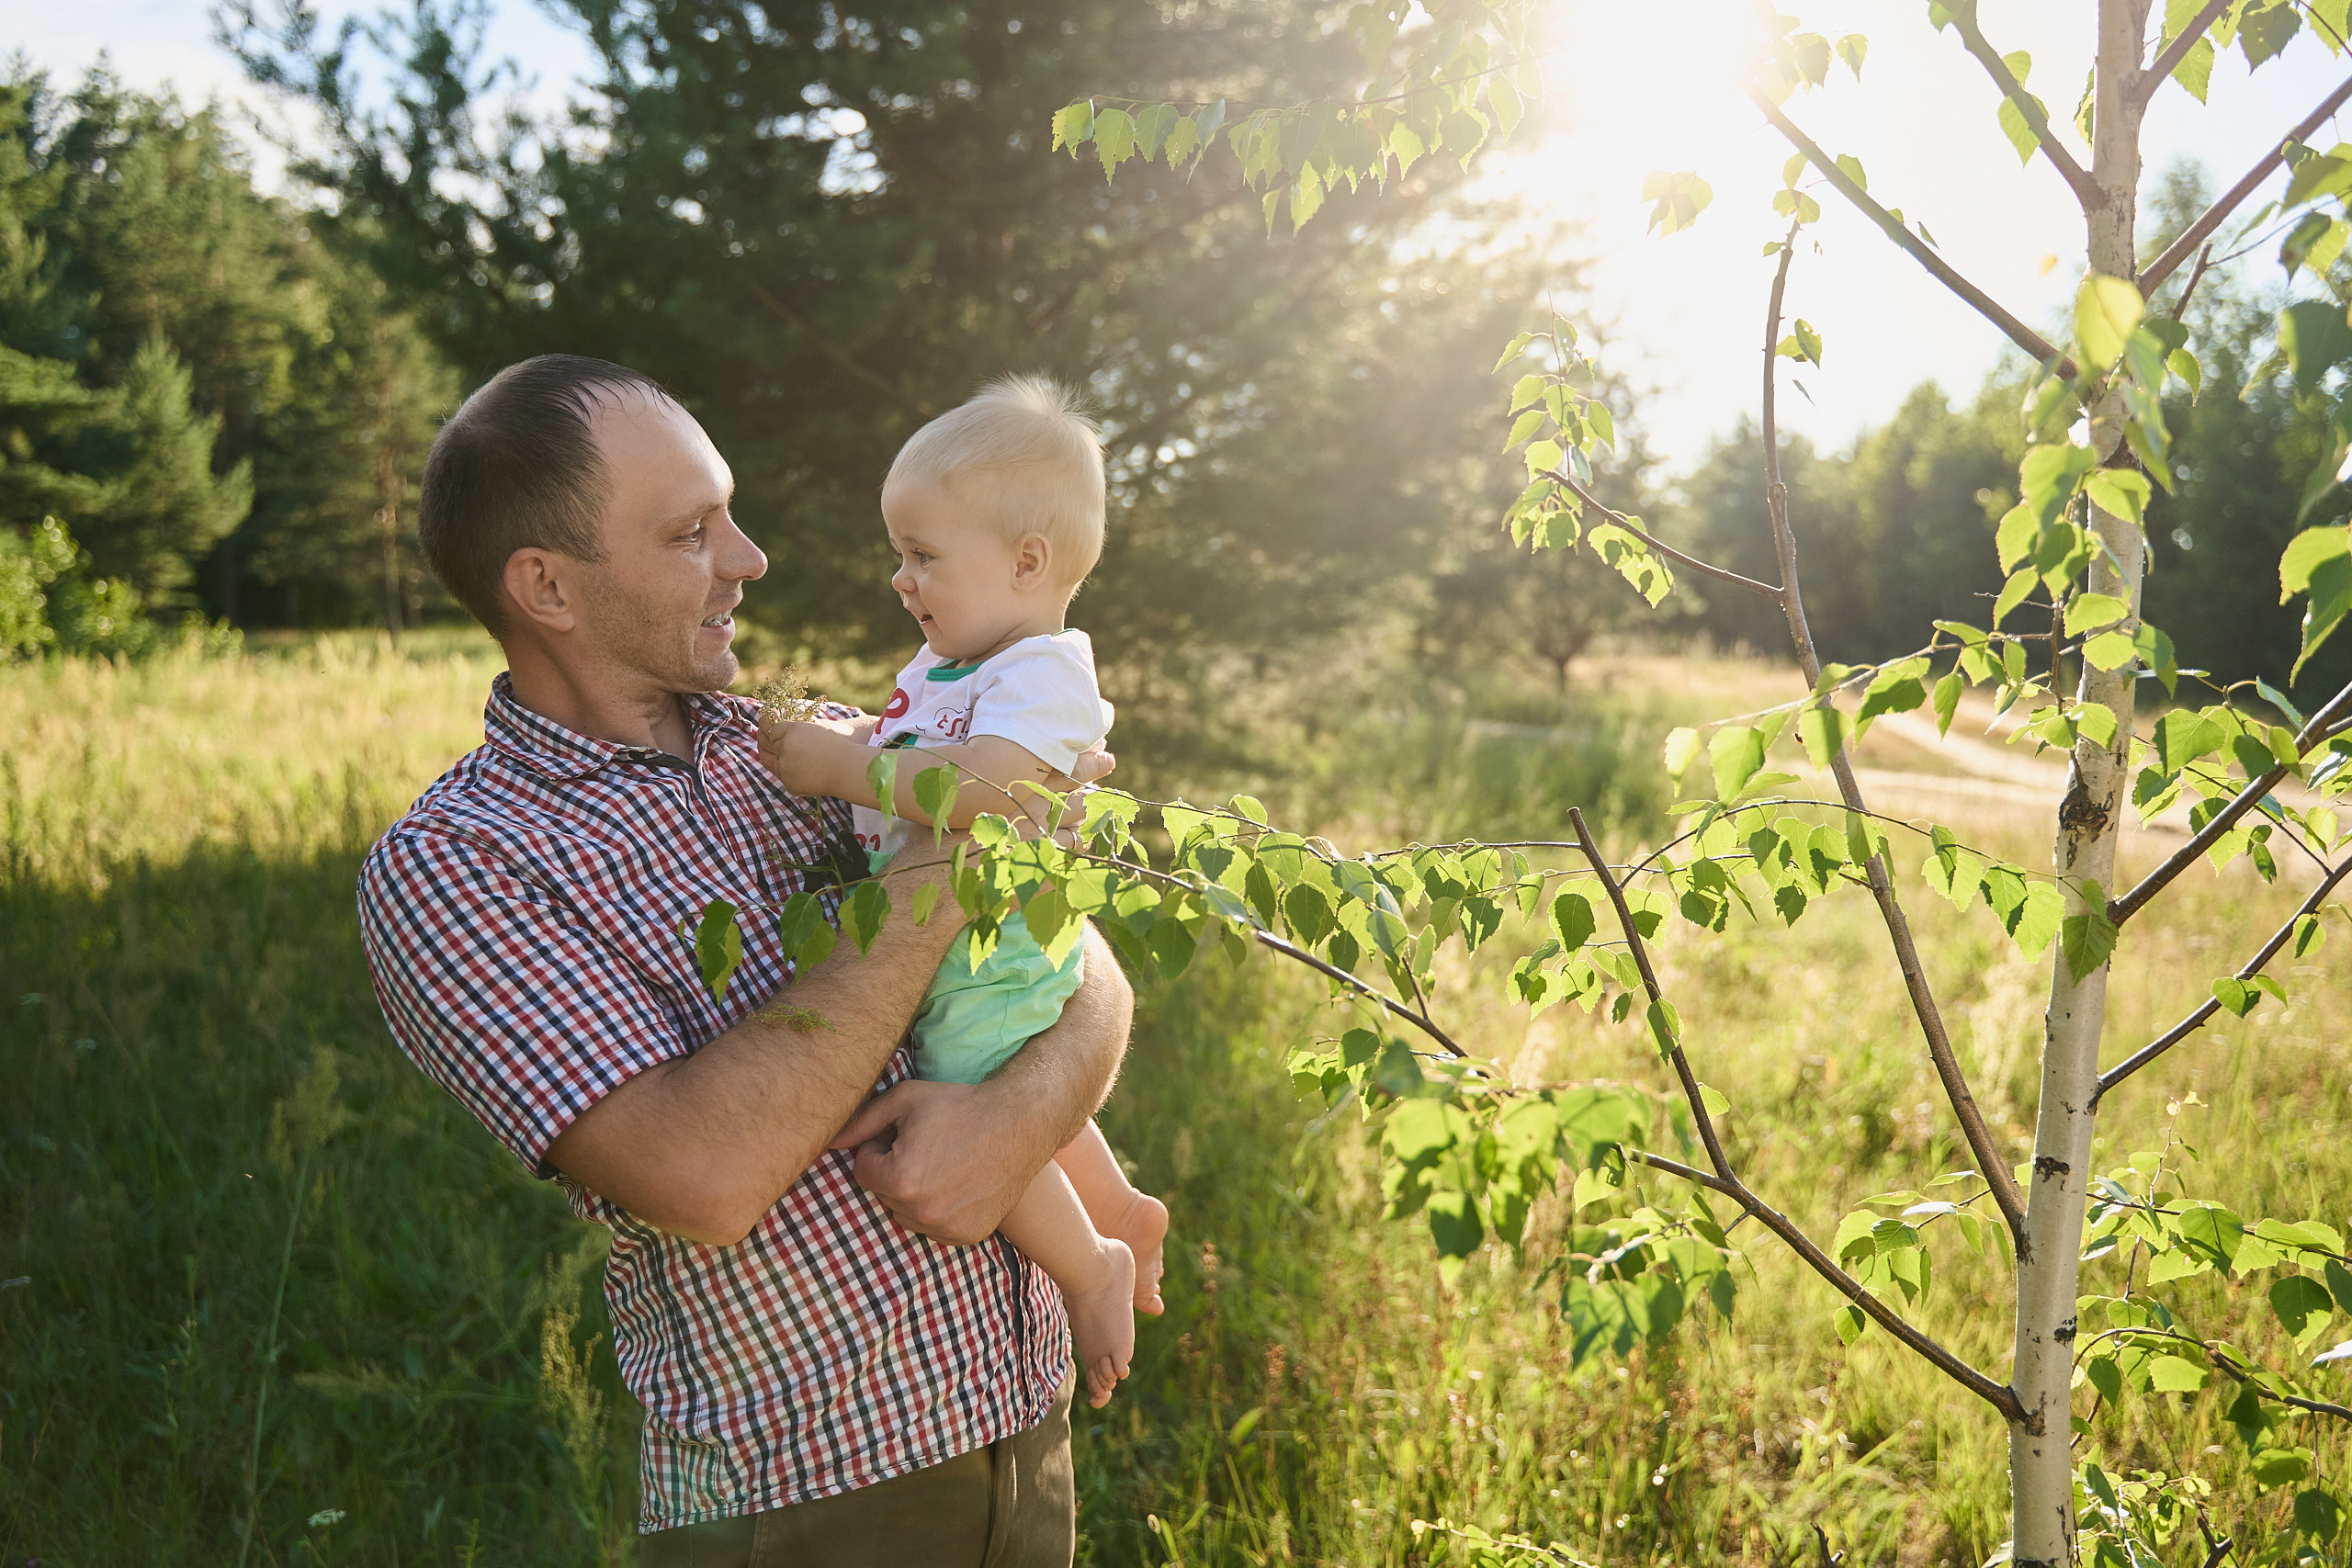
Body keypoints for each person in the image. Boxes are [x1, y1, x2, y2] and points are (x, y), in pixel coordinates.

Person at [356, 354, 1143, 1565]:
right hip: (809, 1492)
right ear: (549, 587)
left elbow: (1082, 966)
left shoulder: (792, 741)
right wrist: (954, 850)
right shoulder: (464, 863)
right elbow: (705, 1174)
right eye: (691, 530)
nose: (749, 556)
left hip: (1022, 1423)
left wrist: (1022, 1115)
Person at [757, 376, 1170, 1410]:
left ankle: (1090, 1268)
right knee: (1008, 1057)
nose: (902, 579)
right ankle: (1119, 1205)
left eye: (925, 555)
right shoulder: (950, 665)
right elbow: (921, 750)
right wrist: (855, 735)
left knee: (975, 1080)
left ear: (1029, 562)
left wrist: (841, 770)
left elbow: (987, 793)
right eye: (901, 554)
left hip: (990, 938)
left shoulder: (1044, 669)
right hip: (964, 936)